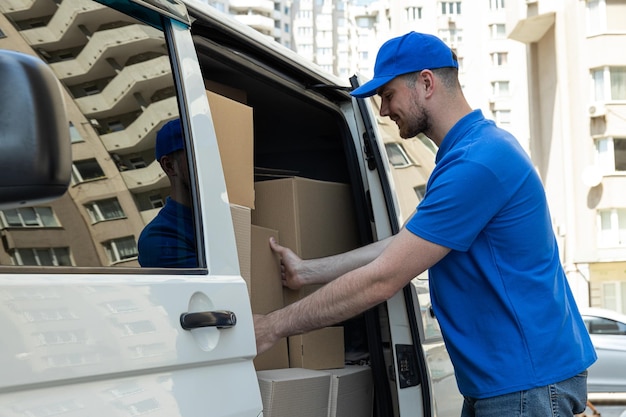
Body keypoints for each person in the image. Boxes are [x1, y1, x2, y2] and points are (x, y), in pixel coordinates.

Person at [254, 31, 596, 417]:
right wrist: (307, 271)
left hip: (523, 387)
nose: (383, 111)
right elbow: (401, 245)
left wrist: (272, 326)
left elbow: (383, 278)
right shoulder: (468, 155)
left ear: (426, 82)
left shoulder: (478, 163)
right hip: (510, 384)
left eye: (388, 94)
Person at [137, 118, 196, 267]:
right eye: (198, 154)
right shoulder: (160, 240)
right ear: (169, 166)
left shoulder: (227, 214)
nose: (212, 162)